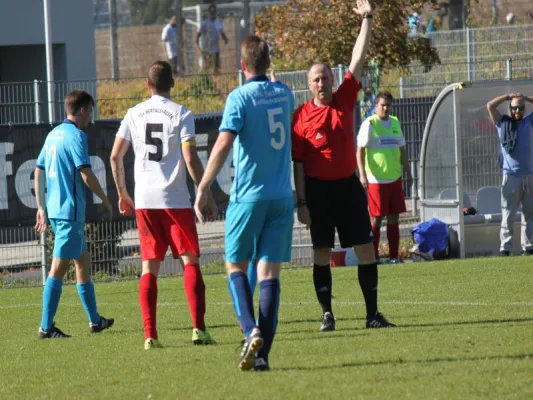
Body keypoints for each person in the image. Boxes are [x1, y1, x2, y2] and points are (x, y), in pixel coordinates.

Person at [291, 0, 395, 333]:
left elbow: (359, 58)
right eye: (316, 80)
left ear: (333, 79)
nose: (322, 83)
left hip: (348, 188)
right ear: (309, 85)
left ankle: (372, 315)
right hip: (318, 193)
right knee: (321, 253)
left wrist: (367, 18)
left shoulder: (345, 97)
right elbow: (298, 164)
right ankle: (327, 314)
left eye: (325, 77)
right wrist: (301, 203)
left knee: (366, 249)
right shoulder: (300, 118)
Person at [194, 36, 294, 371]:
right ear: (268, 64)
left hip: (248, 197)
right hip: (281, 197)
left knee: (235, 267)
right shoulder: (286, 94)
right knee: (269, 275)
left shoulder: (238, 97)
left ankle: (250, 330)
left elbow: (223, 143)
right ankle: (262, 356)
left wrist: (204, 186)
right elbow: (276, 97)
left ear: (242, 65)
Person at [110, 61, 218, 350]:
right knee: (190, 261)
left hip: (144, 200)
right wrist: (203, 190)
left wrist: (123, 193)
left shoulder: (133, 114)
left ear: (148, 84)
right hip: (175, 201)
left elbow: (115, 156)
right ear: (173, 83)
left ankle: (150, 335)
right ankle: (198, 330)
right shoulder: (182, 114)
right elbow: (190, 159)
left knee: (149, 268)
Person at [34, 90, 115, 339]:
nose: (91, 117)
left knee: (83, 262)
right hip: (70, 212)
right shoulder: (76, 135)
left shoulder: (53, 135)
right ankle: (45, 328)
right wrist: (105, 198)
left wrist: (40, 207)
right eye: (90, 111)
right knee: (59, 267)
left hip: (58, 211)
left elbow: (38, 170)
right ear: (81, 110)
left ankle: (95, 321)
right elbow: (85, 173)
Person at [357, 91, 413, 264]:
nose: (385, 108)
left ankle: (394, 257)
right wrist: (362, 175)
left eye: (388, 105)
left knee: (394, 217)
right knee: (376, 219)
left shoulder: (395, 122)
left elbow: (402, 150)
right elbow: (359, 150)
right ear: (376, 106)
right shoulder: (370, 123)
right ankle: (373, 258)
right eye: (382, 105)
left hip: (394, 178)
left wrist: (408, 172)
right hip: (376, 180)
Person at [487, 92, 533, 256]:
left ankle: (528, 247)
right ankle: (505, 248)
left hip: (529, 176)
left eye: (520, 108)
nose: (517, 111)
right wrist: (507, 96)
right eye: (514, 108)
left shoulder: (528, 122)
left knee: (530, 215)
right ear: (510, 108)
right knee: (508, 214)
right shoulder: (502, 123)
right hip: (511, 176)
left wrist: (525, 97)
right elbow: (490, 106)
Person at [196, 4, 228, 73]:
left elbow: (221, 32)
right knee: (207, 67)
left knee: (217, 68)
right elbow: (198, 35)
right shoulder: (204, 23)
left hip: (215, 49)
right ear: (209, 12)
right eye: (211, 12)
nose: (212, 13)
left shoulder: (218, 22)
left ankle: (217, 80)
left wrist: (225, 39)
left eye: (214, 12)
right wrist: (198, 47)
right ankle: (204, 80)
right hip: (206, 49)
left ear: (215, 12)